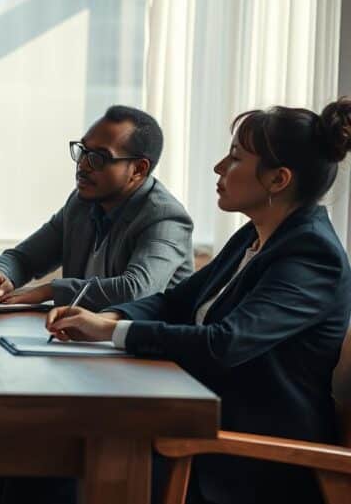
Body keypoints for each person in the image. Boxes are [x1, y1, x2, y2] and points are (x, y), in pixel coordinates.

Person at [42, 100, 351, 504]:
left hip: (248, 462)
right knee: (35, 455)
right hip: (199, 427)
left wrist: (112, 331)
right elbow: (174, 301)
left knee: (58, 473)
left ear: (278, 180)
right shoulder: (253, 237)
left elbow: (223, 344)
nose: (219, 167)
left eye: (236, 158)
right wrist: (108, 315)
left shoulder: (312, 256)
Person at [0, 105, 193, 311]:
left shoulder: (166, 218)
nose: (83, 165)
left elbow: (135, 290)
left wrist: (51, 290)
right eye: (83, 151)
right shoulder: (81, 204)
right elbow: (24, 258)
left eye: (99, 157)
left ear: (138, 169)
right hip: (81, 340)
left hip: (143, 347)